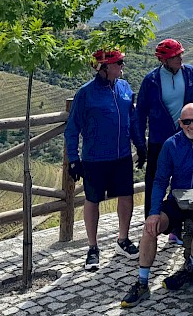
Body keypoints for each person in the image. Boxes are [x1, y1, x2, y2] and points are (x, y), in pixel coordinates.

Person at [120, 103, 193, 307]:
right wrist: (154, 213)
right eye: (187, 122)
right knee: (150, 229)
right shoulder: (170, 145)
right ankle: (142, 282)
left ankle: (189, 268)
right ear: (180, 123)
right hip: (177, 201)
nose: (192, 125)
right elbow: (160, 180)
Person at [64, 49, 140, 271]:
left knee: (126, 196)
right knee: (92, 200)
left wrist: (140, 145)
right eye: (119, 63)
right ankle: (92, 247)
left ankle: (123, 240)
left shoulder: (125, 87)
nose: (123, 66)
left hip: (122, 155)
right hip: (95, 158)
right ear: (105, 68)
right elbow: (72, 128)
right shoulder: (85, 93)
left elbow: (132, 119)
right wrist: (73, 159)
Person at [134, 38, 193, 221]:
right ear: (163, 60)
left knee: (187, 179)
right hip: (159, 140)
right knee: (155, 181)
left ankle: (182, 223)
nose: (180, 59)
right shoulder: (151, 80)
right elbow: (140, 113)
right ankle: (152, 220)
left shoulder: (190, 74)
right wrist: (140, 145)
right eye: (175, 57)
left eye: (180, 54)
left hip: (185, 137)